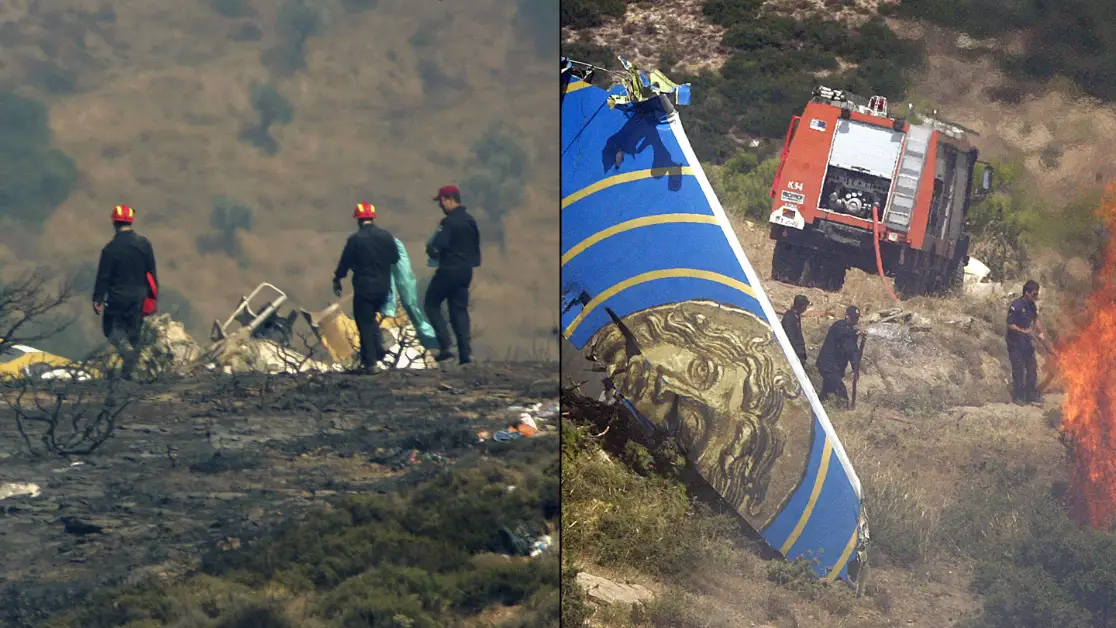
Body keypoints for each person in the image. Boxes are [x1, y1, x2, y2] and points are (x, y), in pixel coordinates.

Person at [92, 204, 158, 380]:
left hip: (116, 298)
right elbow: (151, 273)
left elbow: (103, 276)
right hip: (139, 298)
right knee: (134, 333)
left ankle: (127, 357)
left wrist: (97, 298)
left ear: (114, 223)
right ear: (131, 221)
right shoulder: (144, 244)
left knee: (113, 331)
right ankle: (133, 374)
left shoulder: (110, 249)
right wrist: (152, 297)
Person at [333, 203, 400, 374]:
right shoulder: (386, 236)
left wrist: (338, 278)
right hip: (383, 288)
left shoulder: (355, 240)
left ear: (358, 220)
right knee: (371, 321)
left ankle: (371, 362)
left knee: (364, 322)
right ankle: (377, 349)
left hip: (364, 288)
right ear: (373, 217)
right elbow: (395, 258)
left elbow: (344, 264)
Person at [425, 185, 481, 365]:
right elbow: (475, 248)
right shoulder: (470, 220)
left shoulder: (448, 222)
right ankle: (466, 355)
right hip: (466, 271)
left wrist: (432, 251)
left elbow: (437, 247)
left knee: (431, 304)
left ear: (449, 199)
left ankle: (446, 346)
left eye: (441, 202)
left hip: (449, 269)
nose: (440, 206)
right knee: (459, 310)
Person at [1006, 279, 1047, 406]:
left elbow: (1035, 320)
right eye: (1034, 294)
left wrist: (1040, 333)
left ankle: (1031, 394)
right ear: (1027, 293)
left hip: (1027, 343)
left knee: (1031, 368)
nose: (1036, 296)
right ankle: (1018, 396)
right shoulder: (1016, 305)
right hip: (1015, 343)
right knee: (1018, 369)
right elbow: (1010, 324)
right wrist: (1023, 331)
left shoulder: (1032, 306)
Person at [815, 305, 865, 406]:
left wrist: (856, 368)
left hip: (836, 368)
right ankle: (844, 413)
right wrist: (857, 332)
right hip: (828, 366)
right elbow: (846, 338)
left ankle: (820, 408)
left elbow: (853, 351)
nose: (856, 320)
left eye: (857, 318)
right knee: (841, 392)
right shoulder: (838, 326)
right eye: (854, 318)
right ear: (847, 316)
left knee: (826, 394)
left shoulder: (851, 332)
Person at [781, 294, 810, 363]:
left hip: (798, 350)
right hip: (793, 351)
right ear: (801, 306)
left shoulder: (796, 316)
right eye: (805, 306)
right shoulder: (789, 317)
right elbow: (790, 335)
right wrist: (797, 351)